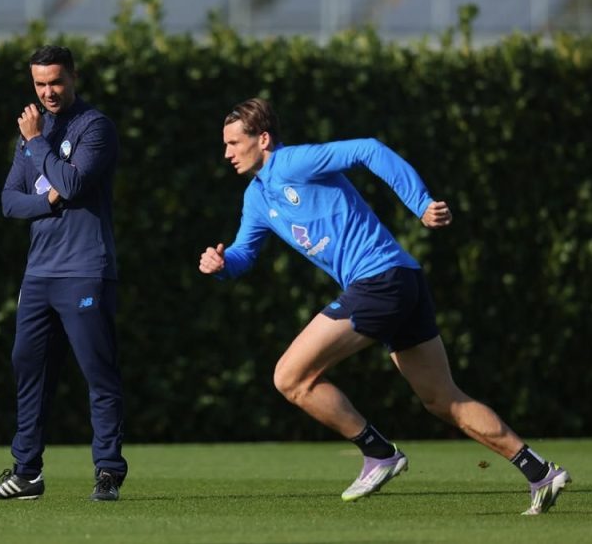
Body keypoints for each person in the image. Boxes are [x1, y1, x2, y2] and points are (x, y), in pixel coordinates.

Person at [198, 97, 570, 515]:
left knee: (289, 377)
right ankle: (540, 471)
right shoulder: (255, 198)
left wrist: (421, 203)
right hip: (402, 280)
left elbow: (368, 149)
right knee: (442, 399)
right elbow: (244, 253)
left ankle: (379, 453)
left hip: (380, 281)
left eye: (234, 142)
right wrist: (222, 264)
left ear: (263, 139)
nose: (227, 153)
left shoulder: (292, 162)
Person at [0, 45, 127, 502]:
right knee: (29, 369)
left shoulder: (94, 127)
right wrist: (47, 200)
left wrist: (38, 143)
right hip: (39, 274)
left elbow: (74, 183)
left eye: (56, 81)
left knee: (97, 371)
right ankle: (27, 474)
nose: (48, 92)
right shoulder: (32, 133)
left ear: (74, 77)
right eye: (39, 84)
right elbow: (9, 202)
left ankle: (108, 471)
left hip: (85, 269)